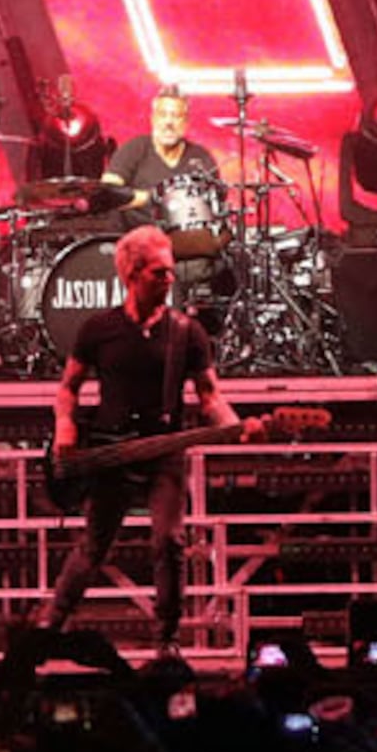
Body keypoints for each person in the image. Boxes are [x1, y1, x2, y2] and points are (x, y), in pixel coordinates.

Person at [35, 224, 235, 662]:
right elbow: (68, 387)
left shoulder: (187, 332)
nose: (169, 280)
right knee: (93, 545)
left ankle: (166, 639)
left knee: (169, 541)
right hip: (111, 450)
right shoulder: (98, 329)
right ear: (132, 275)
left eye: (170, 272)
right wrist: (65, 428)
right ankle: (51, 625)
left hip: (164, 449)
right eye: (159, 273)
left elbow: (210, 395)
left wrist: (235, 426)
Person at [104, 88, 221, 232]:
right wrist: (152, 198)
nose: (168, 123)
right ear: (153, 119)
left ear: (186, 122)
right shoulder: (134, 149)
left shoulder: (201, 157)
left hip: (188, 241)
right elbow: (107, 190)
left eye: (176, 116)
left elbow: (215, 201)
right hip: (139, 238)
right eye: (162, 115)